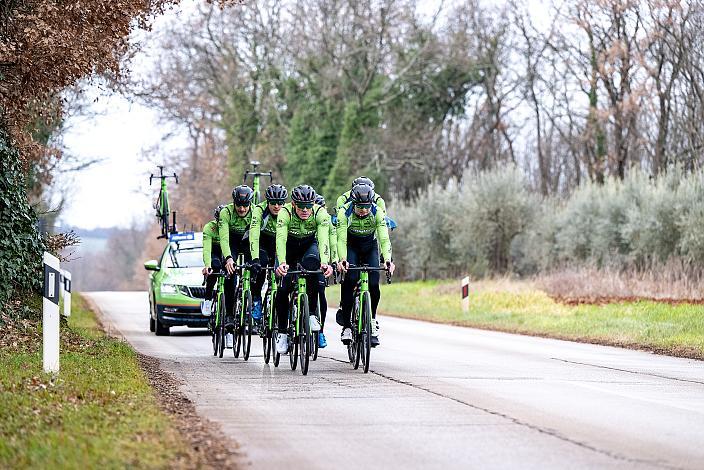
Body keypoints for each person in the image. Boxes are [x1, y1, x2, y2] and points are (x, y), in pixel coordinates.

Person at [274, 185, 333, 354]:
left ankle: (313, 314)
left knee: (314, 267)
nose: (305, 210)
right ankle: (283, 333)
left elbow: (323, 239)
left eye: (309, 206)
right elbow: (280, 239)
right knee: (283, 289)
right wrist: (282, 263)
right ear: (293, 204)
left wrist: (326, 262)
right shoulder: (285, 213)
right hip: (289, 247)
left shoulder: (319, 213)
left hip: (309, 246)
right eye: (301, 206)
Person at [337, 183, 395, 347]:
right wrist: (342, 259)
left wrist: (388, 259)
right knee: (350, 278)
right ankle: (347, 326)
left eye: (367, 206)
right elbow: (341, 239)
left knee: (374, 283)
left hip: (370, 247)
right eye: (360, 207)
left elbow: (384, 239)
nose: (363, 210)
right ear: (353, 203)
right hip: (351, 246)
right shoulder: (344, 212)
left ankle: (372, 320)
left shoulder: (377, 212)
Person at [248, 184, 288, 330]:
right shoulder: (259, 210)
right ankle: (257, 300)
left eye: (280, 203)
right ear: (267, 202)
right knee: (260, 266)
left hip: (280, 245)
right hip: (263, 243)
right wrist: (255, 259)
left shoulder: (288, 211)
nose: (277, 206)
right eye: (273, 203)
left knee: (284, 275)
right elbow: (253, 235)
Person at [218, 185, 254, 330]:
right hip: (231, 242)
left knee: (256, 268)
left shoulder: (255, 212)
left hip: (247, 241)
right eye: (239, 205)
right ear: (234, 202)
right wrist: (228, 258)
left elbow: (257, 239)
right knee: (230, 272)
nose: (242, 209)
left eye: (245, 205)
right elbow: (224, 239)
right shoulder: (226, 213)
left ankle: (251, 303)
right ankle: (229, 315)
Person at [312, 194, 337, 348]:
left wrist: (333, 262)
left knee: (320, 293)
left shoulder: (327, 221)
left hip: (322, 261)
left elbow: (333, 243)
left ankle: (320, 331)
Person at [201, 204, 226, 316]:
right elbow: (206, 249)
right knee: (215, 266)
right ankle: (207, 300)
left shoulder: (232, 228)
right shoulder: (209, 227)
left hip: (226, 252)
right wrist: (207, 265)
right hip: (214, 252)